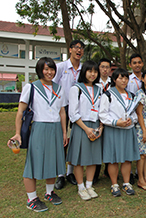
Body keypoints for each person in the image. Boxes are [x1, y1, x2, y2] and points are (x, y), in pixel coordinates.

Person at [8, 57, 67, 212]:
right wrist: (17, 133)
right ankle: (32, 198)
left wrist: (64, 132)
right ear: (40, 70)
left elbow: (61, 111)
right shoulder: (31, 87)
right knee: (33, 164)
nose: (49, 72)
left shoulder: (59, 88)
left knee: (53, 161)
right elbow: (20, 111)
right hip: (39, 128)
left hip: (55, 128)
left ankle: (49, 193)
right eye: (46, 69)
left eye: (52, 69)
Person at [99, 68, 140, 197]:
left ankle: (126, 183)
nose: (124, 80)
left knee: (127, 159)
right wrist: (117, 122)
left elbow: (135, 114)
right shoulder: (108, 95)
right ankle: (114, 184)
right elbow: (102, 114)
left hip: (128, 130)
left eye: (126, 78)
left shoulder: (131, 95)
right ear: (115, 79)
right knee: (113, 159)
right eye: (120, 78)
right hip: (113, 130)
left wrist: (131, 120)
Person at [67, 60, 103, 201]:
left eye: (95, 71)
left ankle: (89, 185)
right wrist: (86, 129)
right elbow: (73, 113)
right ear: (84, 72)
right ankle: (81, 187)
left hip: (95, 126)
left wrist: (100, 127)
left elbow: (102, 110)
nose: (92, 74)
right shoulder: (76, 88)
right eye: (90, 71)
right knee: (79, 159)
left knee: (92, 158)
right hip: (81, 126)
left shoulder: (99, 89)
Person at [53, 40, 85, 189]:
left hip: (79, 109)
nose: (79, 50)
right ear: (70, 49)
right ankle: (60, 174)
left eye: (81, 48)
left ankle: (70, 172)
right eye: (76, 48)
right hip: (63, 109)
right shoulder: (61, 67)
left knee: (75, 140)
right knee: (62, 140)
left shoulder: (84, 69)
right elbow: (52, 86)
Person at [94, 58, 112, 184]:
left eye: (107, 67)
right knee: (97, 146)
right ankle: (95, 174)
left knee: (109, 145)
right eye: (102, 67)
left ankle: (108, 171)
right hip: (96, 118)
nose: (105, 69)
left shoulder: (114, 83)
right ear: (98, 68)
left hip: (110, 118)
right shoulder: (94, 84)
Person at [126, 53, 144, 184]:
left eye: (139, 62)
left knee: (142, 145)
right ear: (130, 65)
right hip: (132, 116)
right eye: (134, 63)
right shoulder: (127, 79)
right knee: (131, 145)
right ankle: (131, 172)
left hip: (144, 116)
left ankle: (139, 172)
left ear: (142, 64)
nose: (137, 65)